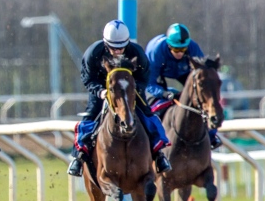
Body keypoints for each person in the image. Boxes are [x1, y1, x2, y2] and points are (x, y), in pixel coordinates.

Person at [67, 20, 172, 177]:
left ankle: (159, 155)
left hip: (129, 89)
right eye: (113, 48)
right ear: (105, 43)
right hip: (103, 90)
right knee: (90, 116)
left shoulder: (137, 53)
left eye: (121, 47)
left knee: (147, 114)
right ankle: (78, 157)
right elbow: (87, 78)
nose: (117, 51)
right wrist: (100, 91)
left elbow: (145, 77)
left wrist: (134, 89)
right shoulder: (93, 53)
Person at [145, 23, 222, 149]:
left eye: (183, 49)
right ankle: (153, 141)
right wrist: (164, 94)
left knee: (201, 100)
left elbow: (203, 74)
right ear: (169, 46)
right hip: (159, 74)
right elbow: (149, 83)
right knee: (152, 106)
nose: (180, 53)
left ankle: (212, 136)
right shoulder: (156, 50)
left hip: (184, 72)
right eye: (176, 50)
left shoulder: (193, 48)